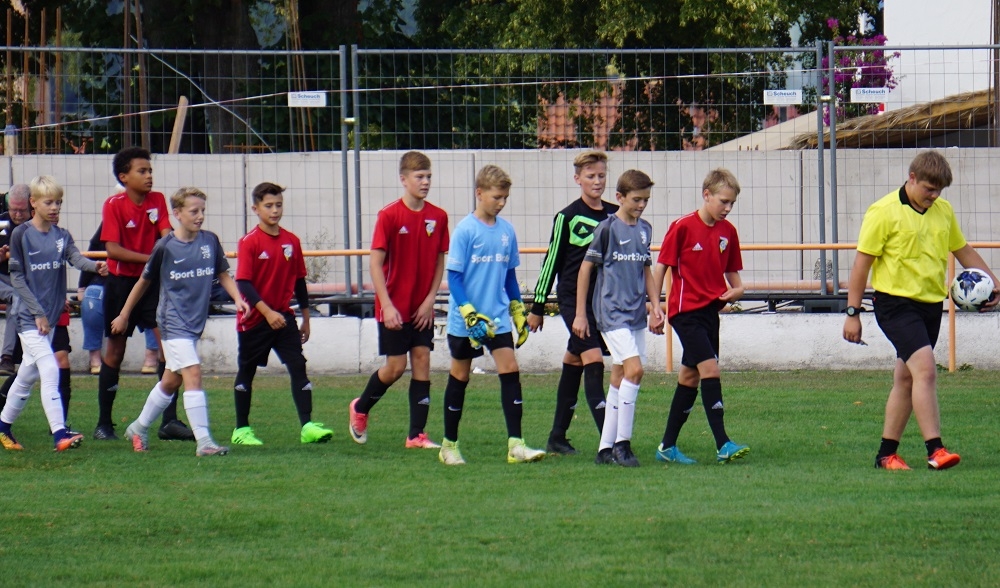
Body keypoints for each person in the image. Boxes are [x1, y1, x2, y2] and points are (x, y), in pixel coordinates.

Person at [842, 151, 1000, 471]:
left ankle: (886, 455)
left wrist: (995, 283)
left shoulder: (943, 211)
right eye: (929, 189)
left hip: (930, 306)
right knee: (926, 370)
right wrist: (852, 313)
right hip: (895, 305)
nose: (934, 196)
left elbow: (963, 250)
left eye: (939, 190)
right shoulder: (883, 211)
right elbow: (861, 265)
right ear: (911, 178)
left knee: (906, 379)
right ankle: (936, 450)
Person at [113, 187, 249, 457]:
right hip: (172, 322)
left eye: (202, 211)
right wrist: (124, 314)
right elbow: (144, 281)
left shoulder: (210, 241)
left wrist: (238, 299)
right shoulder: (165, 246)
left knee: (170, 382)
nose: (200, 216)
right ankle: (205, 442)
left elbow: (223, 274)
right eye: (194, 211)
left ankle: (138, 428)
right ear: (177, 213)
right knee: (193, 373)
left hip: (194, 323)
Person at [438, 164, 544, 466]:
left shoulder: (507, 231)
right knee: (460, 375)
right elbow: (454, 277)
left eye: (505, 198)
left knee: (510, 369)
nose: (501, 203)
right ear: (479, 193)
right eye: (497, 197)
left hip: (496, 317)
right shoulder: (465, 230)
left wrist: (517, 309)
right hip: (466, 321)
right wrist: (468, 311)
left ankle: (516, 445)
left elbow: (509, 275)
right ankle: (449, 446)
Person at [349, 151, 448, 449]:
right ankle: (360, 407)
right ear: (403, 179)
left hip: (422, 307)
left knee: (422, 360)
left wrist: (430, 300)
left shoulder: (438, 217)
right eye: (419, 177)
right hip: (393, 306)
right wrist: (387, 305)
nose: (425, 182)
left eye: (428, 176)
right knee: (395, 367)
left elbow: (439, 261)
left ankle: (416, 435)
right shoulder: (389, 215)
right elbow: (375, 264)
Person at [0, 175, 107, 452]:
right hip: (27, 316)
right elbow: (17, 278)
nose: (55, 207)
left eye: (58, 202)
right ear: (33, 203)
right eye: (49, 202)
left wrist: (95, 267)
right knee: (50, 368)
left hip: (47, 316)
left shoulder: (62, 235)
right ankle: (60, 433)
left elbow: (76, 258)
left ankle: (2, 427)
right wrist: (37, 313)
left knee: (26, 376)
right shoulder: (21, 234)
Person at [650, 168, 749, 466]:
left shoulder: (728, 232)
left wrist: (738, 290)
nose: (727, 208)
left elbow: (734, 277)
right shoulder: (682, 227)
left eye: (732, 203)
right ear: (707, 195)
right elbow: (661, 267)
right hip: (685, 312)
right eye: (723, 201)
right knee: (710, 370)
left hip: (709, 313)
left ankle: (667, 447)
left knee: (690, 377)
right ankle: (723, 443)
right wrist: (655, 306)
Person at [96, 146, 193, 441]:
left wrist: (177, 250)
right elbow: (113, 250)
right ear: (124, 177)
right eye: (142, 171)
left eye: (150, 170)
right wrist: (153, 259)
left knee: (168, 348)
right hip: (121, 285)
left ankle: (169, 421)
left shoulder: (157, 200)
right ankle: (104, 423)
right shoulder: (113, 205)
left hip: (152, 286)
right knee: (115, 352)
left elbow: (166, 235)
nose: (149, 175)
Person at [230, 182, 333, 446]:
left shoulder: (291, 241)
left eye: (278, 205)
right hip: (255, 320)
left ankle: (307, 426)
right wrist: (267, 313)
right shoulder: (249, 242)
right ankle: (241, 429)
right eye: (268, 206)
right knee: (247, 370)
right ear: (256, 209)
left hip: (284, 317)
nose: (275, 210)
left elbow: (299, 281)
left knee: (298, 365)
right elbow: (243, 283)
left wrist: (306, 318)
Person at [528, 151, 617, 455]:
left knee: (574, 361)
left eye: (601, 175)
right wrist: (538, 307)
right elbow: (551, 261)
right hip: (572, 301)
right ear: (577, 179)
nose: (597, 181)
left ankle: (557, 437)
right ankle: (611, 443)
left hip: (602, 303)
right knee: (594, 359)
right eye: (591, 176)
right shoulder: (567, 216)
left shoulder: (614, 215)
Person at [574, 170, 661, 468]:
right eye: (636, 199)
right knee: (635, 371)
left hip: (635, 313)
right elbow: (585, 270)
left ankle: (604, 449)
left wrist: (655, 305)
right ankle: (623, 444)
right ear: (620, 197)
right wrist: (581, 314)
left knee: (620, 375)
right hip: (611, 313)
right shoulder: (607, 229)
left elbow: (646, 270)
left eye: (646, 200)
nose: (641, 205)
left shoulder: (645, 229)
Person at [78, 222, 161, 376]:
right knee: (92, 298)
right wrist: (82, 286)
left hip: (146, 280)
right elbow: (93, 252)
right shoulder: (112, 221)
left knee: (155, 305)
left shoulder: (154, 221)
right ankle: (95, 357)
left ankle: (152, 354)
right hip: (112, 281)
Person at [0, 184, 33, 376]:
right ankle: (8, 358)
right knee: (16, 295)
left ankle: (7, 358)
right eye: (14, 210)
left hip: (20, 281)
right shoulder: (1, 223)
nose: (18, 215)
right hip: (2, 279)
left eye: (22, 210)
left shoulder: (37, 227)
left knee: (16, 297)